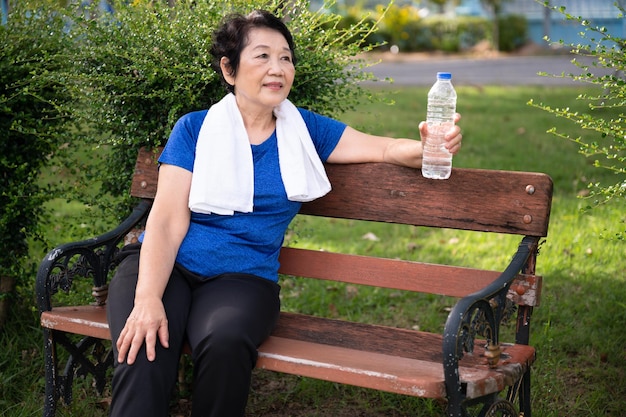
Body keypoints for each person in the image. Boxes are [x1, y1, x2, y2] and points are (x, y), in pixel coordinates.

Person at [106, 9, 462, 417]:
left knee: (225, 342)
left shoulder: (304, 131)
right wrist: (148, 297)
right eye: (262, 56)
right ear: (229, 69)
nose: (278, 68)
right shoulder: (195, 129)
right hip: (163, 268)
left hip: (243, 277)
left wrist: (426, 147)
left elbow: (382, 149)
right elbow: (166, 224)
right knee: (145, 344)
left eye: (286, 57)